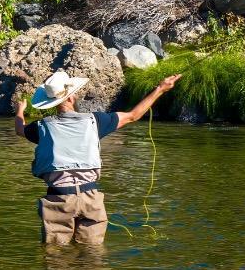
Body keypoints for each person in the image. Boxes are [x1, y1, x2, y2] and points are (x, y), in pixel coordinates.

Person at [14, 70, 180, 245]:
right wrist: (160, 89)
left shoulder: (41, 127)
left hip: (58, 198)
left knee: (55, 254)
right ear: (71, 98)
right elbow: (133, 115)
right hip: (91, 198)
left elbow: (19, 130)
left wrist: (20, 111)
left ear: (51, 103)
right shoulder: (96, 121)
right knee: (92, 254)